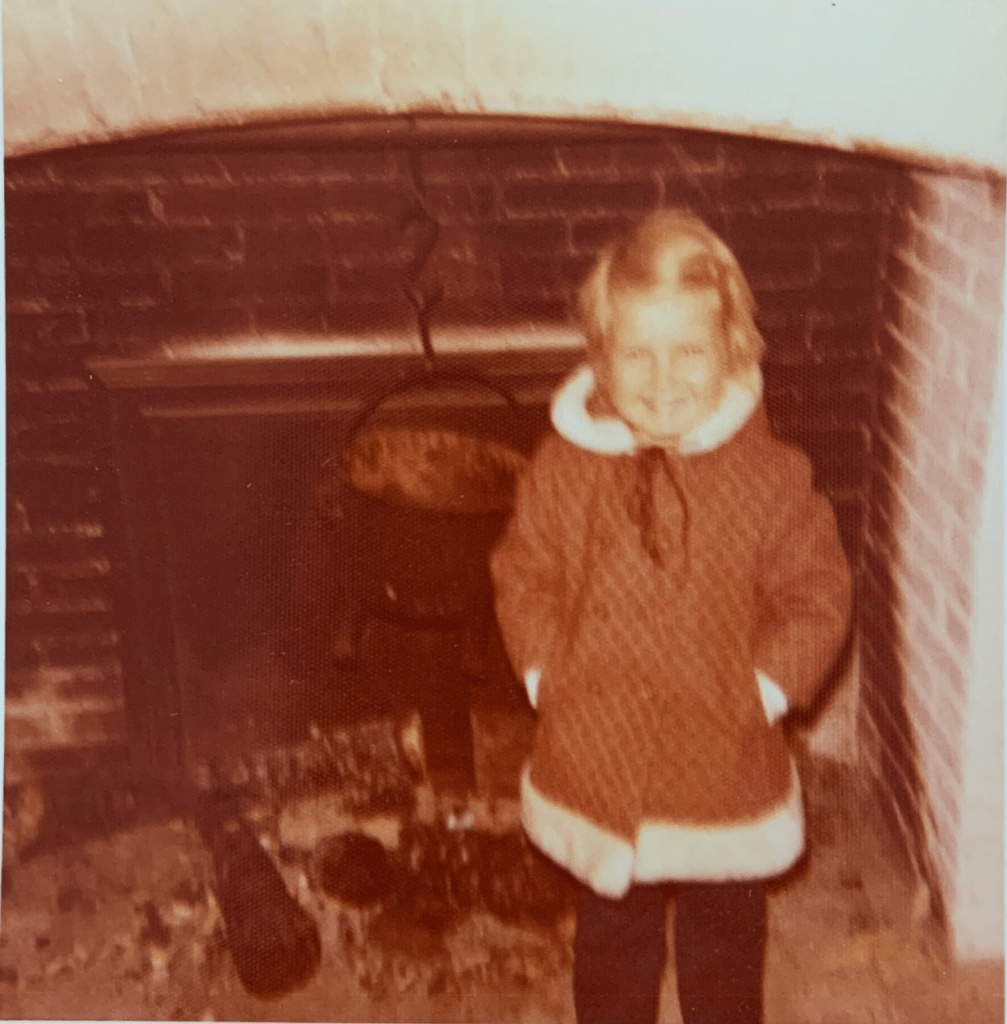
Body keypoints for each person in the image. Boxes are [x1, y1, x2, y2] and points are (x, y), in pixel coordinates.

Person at [489, 209, 852, 1024]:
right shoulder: (563, 468)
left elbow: (817, 594)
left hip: (718, 758)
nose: (661, 380)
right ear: (600, 361)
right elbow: (525, 571)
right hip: (596, 753)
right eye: (636, 355)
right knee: (611, 940)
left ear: (730, 352)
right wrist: (547, 673)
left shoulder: (769, 478)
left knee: (722, 940)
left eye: (687, 352)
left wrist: (760, 691)